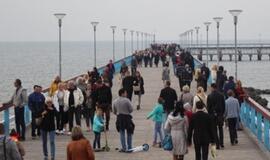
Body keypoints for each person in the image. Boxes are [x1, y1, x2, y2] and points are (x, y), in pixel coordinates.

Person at [207, 83, 225, 149]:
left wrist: (210, 114)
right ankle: (222, 143)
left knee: (214, 130)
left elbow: (208, 107)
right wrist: (222, 114)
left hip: (212, 115)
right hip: (220, 115)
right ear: (216, 87)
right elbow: (223, 106)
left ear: (212, 87)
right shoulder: (221, 95)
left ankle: (217, 144)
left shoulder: (209, 96)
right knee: (220, 129)